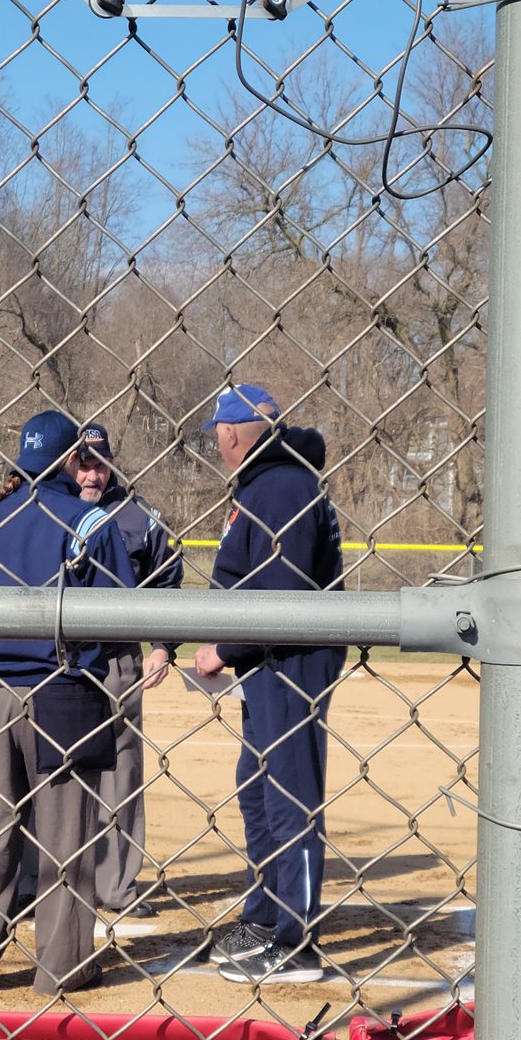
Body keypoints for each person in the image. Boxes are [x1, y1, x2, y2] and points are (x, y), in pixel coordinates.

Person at [0, 410, 136, 996]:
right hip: (62, 696)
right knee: (64, 841)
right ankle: (61, 968)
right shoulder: (89, 520)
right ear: (72, 460)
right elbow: (118, 616)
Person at [192, 385, 348, 985]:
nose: (219, 444)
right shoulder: (268, 482)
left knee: (289, 797)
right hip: (269, 660)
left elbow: (280, 592)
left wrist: (224, 648)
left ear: (234, 433)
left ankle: (295, 940)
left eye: (219, 434)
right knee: (257, 789)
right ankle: (264, 917)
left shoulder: (281, 484)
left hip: (291, 660)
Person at [65, 423, 182, 911]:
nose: (91, 474)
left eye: (98, 463)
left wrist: (161, 646)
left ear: (111, 464)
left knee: (121, 770)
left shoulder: (141, 517)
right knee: (51, 768)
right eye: (82, 463)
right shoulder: (49, 506)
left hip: (116, 658)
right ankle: (42, 880)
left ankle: (116, 887)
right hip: (58, 658)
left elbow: (167, 583)